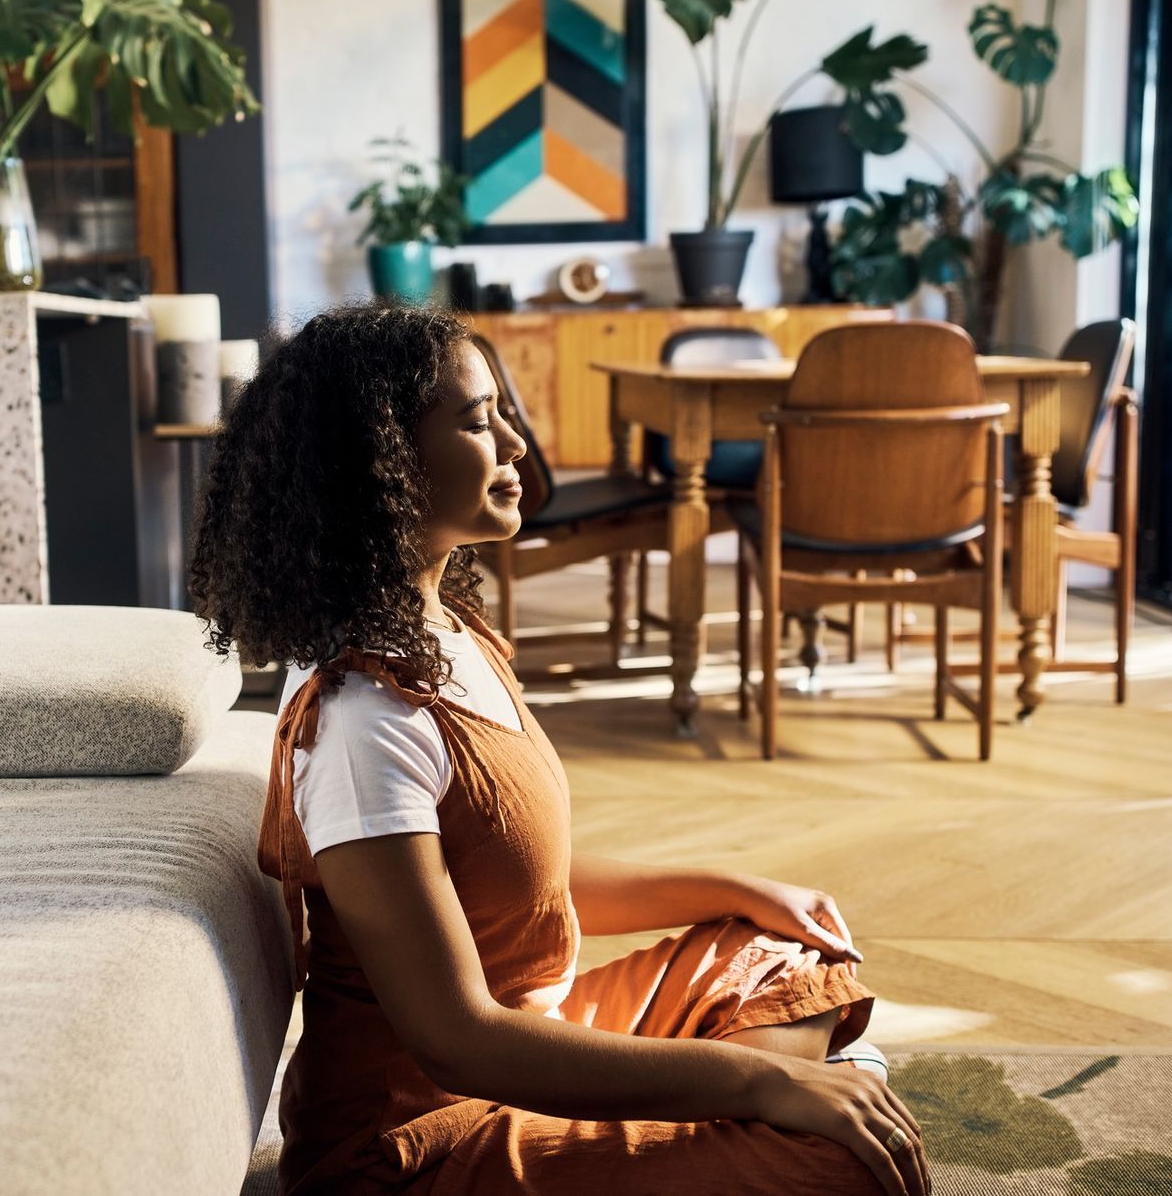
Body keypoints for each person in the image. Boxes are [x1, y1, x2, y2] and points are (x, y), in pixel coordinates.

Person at [189, 305, 929, 1196]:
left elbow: (523, 882)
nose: (515, 445)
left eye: (503, 411)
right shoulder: (362, 722)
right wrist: (765, 1078)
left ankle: (723, 1122)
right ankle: (750, 1114)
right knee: (843, 1163)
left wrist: (741, 890)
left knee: (781, 950)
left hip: (538, 1032)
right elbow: (458, 1036)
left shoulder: (448, 635)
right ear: (380, 461)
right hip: (423, 1140)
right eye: (475, 419)